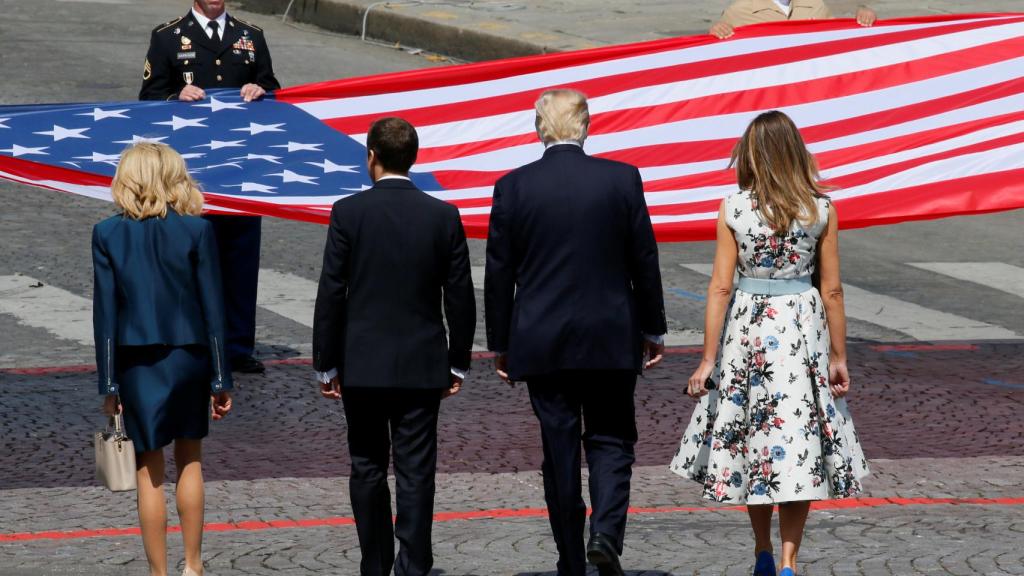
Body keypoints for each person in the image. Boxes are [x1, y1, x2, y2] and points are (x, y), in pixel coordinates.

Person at [669, 111, 869, 576]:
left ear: (751, 155)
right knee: (797, 438)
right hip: (802, 326)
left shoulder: (734, 208)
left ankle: (761, 549)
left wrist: (707, 359)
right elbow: (833, 289)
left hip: (749, 327)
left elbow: (719, 286)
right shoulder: (820, 209)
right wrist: (839, 356)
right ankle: (788, 561)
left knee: (752, 437)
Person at [485, 89, 667, 576]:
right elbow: (643, 260)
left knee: (558, 449)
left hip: (542, 338)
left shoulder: (513, 187)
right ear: (586, 126)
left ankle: (570, 555)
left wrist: (500, 341)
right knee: (610, 440)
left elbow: (499, 273)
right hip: (610, 333)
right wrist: (654, 327)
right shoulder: (621, 179)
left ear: (538, 127)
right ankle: (604, 531)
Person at [312, 117, 476, 576]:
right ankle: (415, 564)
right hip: (422, 364)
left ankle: (376, 563)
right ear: (415, 158)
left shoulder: (348, 212)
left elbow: (332, 291)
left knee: (366, 466)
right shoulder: (442, 215)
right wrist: (458, 362)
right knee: (416, 470)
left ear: (371, 157)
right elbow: (460, 295)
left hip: (362, 364)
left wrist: (325, 363)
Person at [94, 143, 234, 576]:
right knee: (190, 459)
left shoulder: (107, 233)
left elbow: (106, 315)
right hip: (190, 355)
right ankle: (193, 565)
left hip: (137, 361)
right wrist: (220, 376)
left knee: (147, 467)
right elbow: (214, 308)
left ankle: (159, 573)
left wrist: (108, 384)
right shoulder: (197, 231)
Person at [140, 0, 282, 374]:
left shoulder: (251, 36)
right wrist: (176, 97)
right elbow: (148, 98)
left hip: (240, 171)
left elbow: (274, 91)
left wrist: (259, 90)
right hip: (188, 172)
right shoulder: (168, 37)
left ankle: (236, 346)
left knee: (240, 256)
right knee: (187, 256)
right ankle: (188, 340)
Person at [710, 0, 877, 39]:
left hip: (806, 89)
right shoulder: (739, 10)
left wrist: (864, 17)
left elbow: (838, 39)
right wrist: (716, 32)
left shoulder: (814, 4)